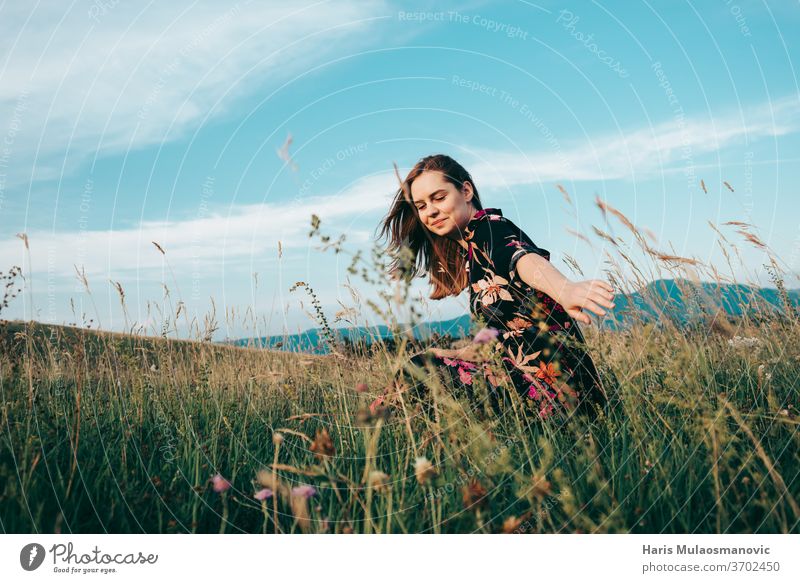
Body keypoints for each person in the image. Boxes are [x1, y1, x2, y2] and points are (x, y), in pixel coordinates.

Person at [376, 154, 615, 420]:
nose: (430, 211)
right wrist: (443, 352)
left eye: (439, 198)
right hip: (528, 384)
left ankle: (373, 429)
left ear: (465, 191)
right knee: (423, 364)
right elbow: (493, 337)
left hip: (554, 392)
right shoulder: (474, 256)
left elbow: (520, 257)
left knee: (418, 369)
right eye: (421, 206)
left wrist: (564, 288)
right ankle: (384, 430)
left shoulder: (489, 230)